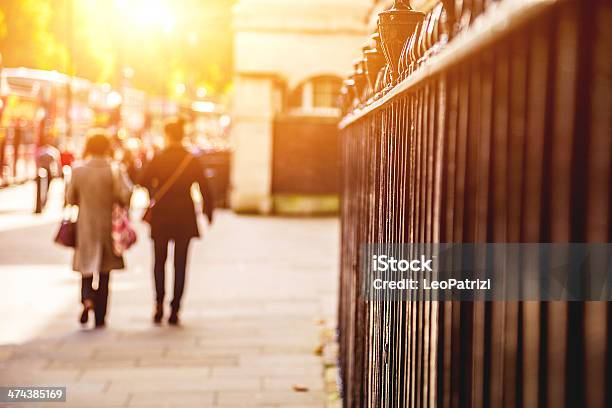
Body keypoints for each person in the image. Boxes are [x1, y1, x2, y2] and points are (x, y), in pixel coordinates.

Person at [139, 118, 214, 325]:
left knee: (159, 262)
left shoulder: (159, 158)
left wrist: (155, 191)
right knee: (180, 263)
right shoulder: (191, 159)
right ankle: (175, 308)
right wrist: (209, 212)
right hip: (185, 215)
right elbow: (204, 187)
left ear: (167, 135)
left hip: (162, 215)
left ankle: (158, 304)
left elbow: (143, 181)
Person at [65, 129, 133, 328]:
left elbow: (70, 198)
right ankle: (101, 315)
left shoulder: (78, 169)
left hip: (85, 226)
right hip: (108, 228)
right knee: (105, 272)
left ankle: (87, 299)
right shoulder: (115, 169)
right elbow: (126, 195)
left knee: (86, 268)